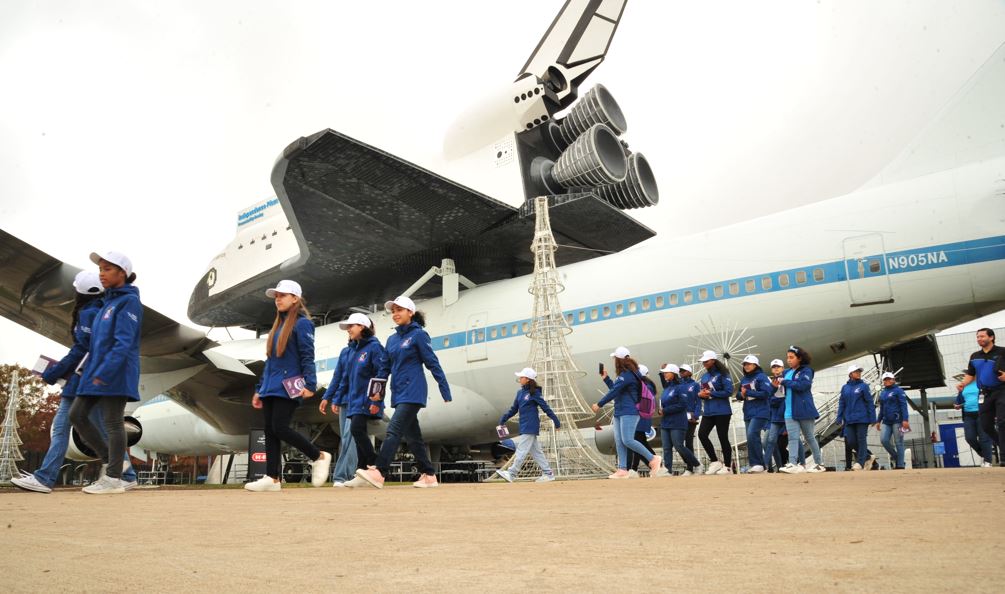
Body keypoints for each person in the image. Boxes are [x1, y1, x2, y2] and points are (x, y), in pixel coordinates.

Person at [11, 271, 137, 493]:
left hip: (83, 380)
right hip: (95, 378)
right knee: (105, 429)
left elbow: (80, 350)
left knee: (63, 428)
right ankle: (125, 474)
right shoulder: (105, 309)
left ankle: (45, 477)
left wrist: (53, 373)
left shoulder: (89, 313)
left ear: (80, 292)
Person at [67, 252, 144, 494]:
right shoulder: (107, 303)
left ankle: (112, 478)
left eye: (108, 269)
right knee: (77, 415)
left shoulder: (128, 301)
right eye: (100, 269)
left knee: (112, 421)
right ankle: (114, 465)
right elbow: (95, 344)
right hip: (96, 371)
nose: (102, 273)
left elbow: (123, 342)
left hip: (116, 372)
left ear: (123, 273)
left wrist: (106, 371)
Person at [357, 296, 452, 489]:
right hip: (399, 393)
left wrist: (444, 389)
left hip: (414, 391)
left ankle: (379, 471)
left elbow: (432, 362)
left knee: (394, 430)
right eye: (393, 311)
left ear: (410, 312)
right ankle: (429, 475)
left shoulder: (418, 335)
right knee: (413, 437)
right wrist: (377, 392)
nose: (396, 314)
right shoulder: (392, 339)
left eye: (399, 310)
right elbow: (384, 368)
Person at [245, 280, 332, 492]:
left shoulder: (302, 324)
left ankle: (318, 456)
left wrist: (310, 383)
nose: (278, 299)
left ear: (295, 298)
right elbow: (270, 361)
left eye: (282, 295)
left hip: (289, 384)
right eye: (276, 296)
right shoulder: (276, 328)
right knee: (270, 430)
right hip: (270, 385)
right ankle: (272, 478)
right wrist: (260, 388)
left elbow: (307, 355)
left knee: (280, 427)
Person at [590, 346, 662, 479]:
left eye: (614, 359)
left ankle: (653, 459)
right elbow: (616, 389)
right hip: (620, 411)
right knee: (619, 440)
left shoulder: (628, 375)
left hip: (629, 411)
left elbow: (614, 392)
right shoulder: (625, 375)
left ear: (618, 360)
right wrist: (606, 378)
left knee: (628, 440)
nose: (613, 361)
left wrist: (599, 404)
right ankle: (622, 469)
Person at [336, 313, 389, 487]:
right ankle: (362, 471)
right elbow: (345, 378)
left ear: (362, 327)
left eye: (351, 326)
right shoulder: (353, 351)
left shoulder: (374, 348)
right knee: (359, 433)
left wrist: (376, 400)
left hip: (367, 399)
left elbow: (381, 373)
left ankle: (376, 466)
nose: (348, 330)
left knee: (357, 430)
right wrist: (337, 399)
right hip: (354, 401)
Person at [495, 367, 561, 483]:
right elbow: (514, 409)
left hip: (531, 425)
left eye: (522, 377)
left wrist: (556, 421)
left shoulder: (535, 393)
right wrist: (503, 419)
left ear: (528, 379)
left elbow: (546, 408)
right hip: (524, 425)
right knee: (536, 452)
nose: (519, 379)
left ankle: (511, 473)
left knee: (521, 450)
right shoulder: (520, 393)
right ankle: (548, 473)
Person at [957, 328, 1005, 467]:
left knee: (1002, 422)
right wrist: (963, 383)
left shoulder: (1002, 352)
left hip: (1002, 390)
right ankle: (1003, 446)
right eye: (977, 337)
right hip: (985, 393)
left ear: (991, 337)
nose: (979, 339)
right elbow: (971, 374)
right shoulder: (974, 356)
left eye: (982, 336)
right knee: (986, 425)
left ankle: (1003, 458)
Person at [774, 345, 826, 474]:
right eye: (787, 357)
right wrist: (775, 386)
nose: (789, 360)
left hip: (804, 409)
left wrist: (785, 382)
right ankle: (792, 463)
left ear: (800, 358)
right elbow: (781, 391)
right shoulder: (786, 372)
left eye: (792, 357)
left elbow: (804, 385)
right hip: (789, 410)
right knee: (793, 437)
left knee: (809, 437)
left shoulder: (806, 371)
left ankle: (819, 463)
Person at [319, 329, 359, 487]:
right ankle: (350, 475)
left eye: (353, 327)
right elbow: (338, 377)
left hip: (358, 400)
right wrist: (328, 397)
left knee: (350, 436)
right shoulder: (345, 352)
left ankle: (340, 476)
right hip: (344, 400)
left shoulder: (371, 349)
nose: (349, 331)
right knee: (347, 438)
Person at [657, 364, 701, 476]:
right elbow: (664, 403)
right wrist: (661, 410)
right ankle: (668, 470)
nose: (664, 374)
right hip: (666, 422)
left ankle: (697, 465)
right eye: (664, 373)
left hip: (678, 421)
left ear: (674, 373)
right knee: (666, 448)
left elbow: (682, 404)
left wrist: (665, 410)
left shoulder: (681, 387)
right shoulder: (667, 388)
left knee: (679, 446)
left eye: (667, 372)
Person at [696, 351, 734, 475]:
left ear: (713, 360)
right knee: (702, 434)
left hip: (722, 411)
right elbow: (703, 391)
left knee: (722, 437)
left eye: (706, 361)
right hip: (708, 411)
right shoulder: (704, 377)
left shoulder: (723, 374)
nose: (704, 363)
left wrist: (712, 393)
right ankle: (715, 461)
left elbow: (729, 391)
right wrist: (701, 395)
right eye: (703, 362)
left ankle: (728, 466)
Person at [836, 364, 877, 471]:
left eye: (859, 371)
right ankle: (867, 456)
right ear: (850, 374)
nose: (858, 373)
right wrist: (839, 417)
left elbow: (869, 402)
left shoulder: (864, 386)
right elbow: (842, 403)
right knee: (851, 441)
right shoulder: (845, 388)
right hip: (849, 419)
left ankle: (860, 462)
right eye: (856, 371)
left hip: (862, 418)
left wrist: (873, 418)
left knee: (861, 440)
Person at [738, 355, 773, 473]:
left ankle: (758, 463)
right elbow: (738, 394)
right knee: (750, 437)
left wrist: (748, 392)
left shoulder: (762, 377)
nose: (746, 366)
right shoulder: (744, 379)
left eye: (749, 364)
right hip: (748, 411)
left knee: (752, 434)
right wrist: (741, 395)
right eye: (745, 364)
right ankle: (758, 464)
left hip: (761, 410)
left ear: (755, 365)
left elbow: (766, 393)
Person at [954, 372, 994, 467]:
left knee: (984, 438)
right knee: (970, 438)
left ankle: (988, 461)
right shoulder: (964, 386)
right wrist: (957, 405)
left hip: (982, 413)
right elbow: (959, 401)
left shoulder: (982, 384)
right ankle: (985, 455)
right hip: (968, 415)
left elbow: (990, 397)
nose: (967, 376)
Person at [624, 364, 657, 476]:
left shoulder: (646, 387)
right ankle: (634, 469)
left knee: (637, 444)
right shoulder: (646, 385)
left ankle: (657, 465)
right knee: (639, 443)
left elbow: (644, 405)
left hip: (640, 419)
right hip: (640, 419)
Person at [876, 371, 910, 470]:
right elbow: (882, 408)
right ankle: (897, 458)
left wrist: (905, 420)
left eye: (889, 379)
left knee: (899, 442)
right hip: (886, 421)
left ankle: (900, 465)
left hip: (898, 420)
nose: (887, 381)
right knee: (884, 440)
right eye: (885, 379)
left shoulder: (899, 391)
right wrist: (878, 421)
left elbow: (903, 406)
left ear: (893, 380)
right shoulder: (883, 393)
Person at [762, 359, 787, 472]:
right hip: (773, 418)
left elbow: (785, 400)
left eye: (778, 366)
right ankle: (777, 466)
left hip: (785, 417)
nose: (776, 369)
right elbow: (769, 400)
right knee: (768, 442)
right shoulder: (771, 382)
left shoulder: (786, 381)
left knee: (793, 441)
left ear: (782, 368)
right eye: (774, 367)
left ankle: (800, 463)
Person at [678, 363, 701, 466]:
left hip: (690, 416)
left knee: (688, 442)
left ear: (689, 372)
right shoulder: (678, 385)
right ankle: (690, 463)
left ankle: (691, 467)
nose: (681, 373)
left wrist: (696, 415)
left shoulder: (695, 385)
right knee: (678, 443)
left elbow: (698, 401)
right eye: (680, 371)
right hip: (679, 416)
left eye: (683, 371)